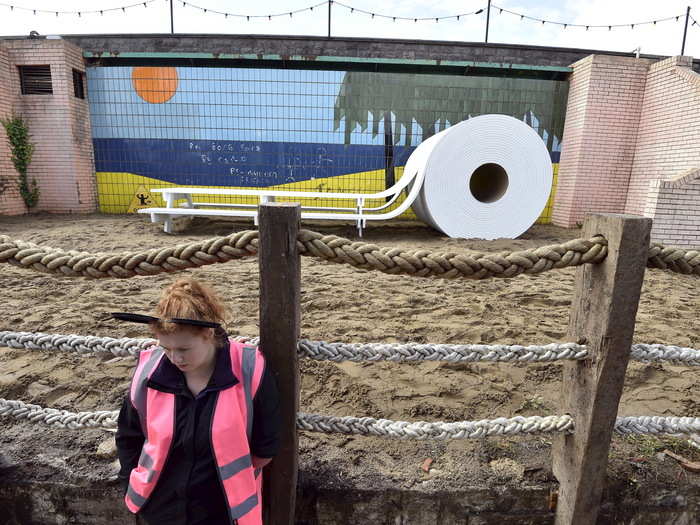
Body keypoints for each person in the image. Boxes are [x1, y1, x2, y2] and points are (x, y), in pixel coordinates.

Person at [114, 278, 280, 525]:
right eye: (166, 348)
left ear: (208, 334)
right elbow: (129, 435)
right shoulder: (148, 372)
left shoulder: (249, 369)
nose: (175, 358)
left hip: (222, 511)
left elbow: (266, 445)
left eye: (183, 349)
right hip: (159, 508)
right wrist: (131, 481)